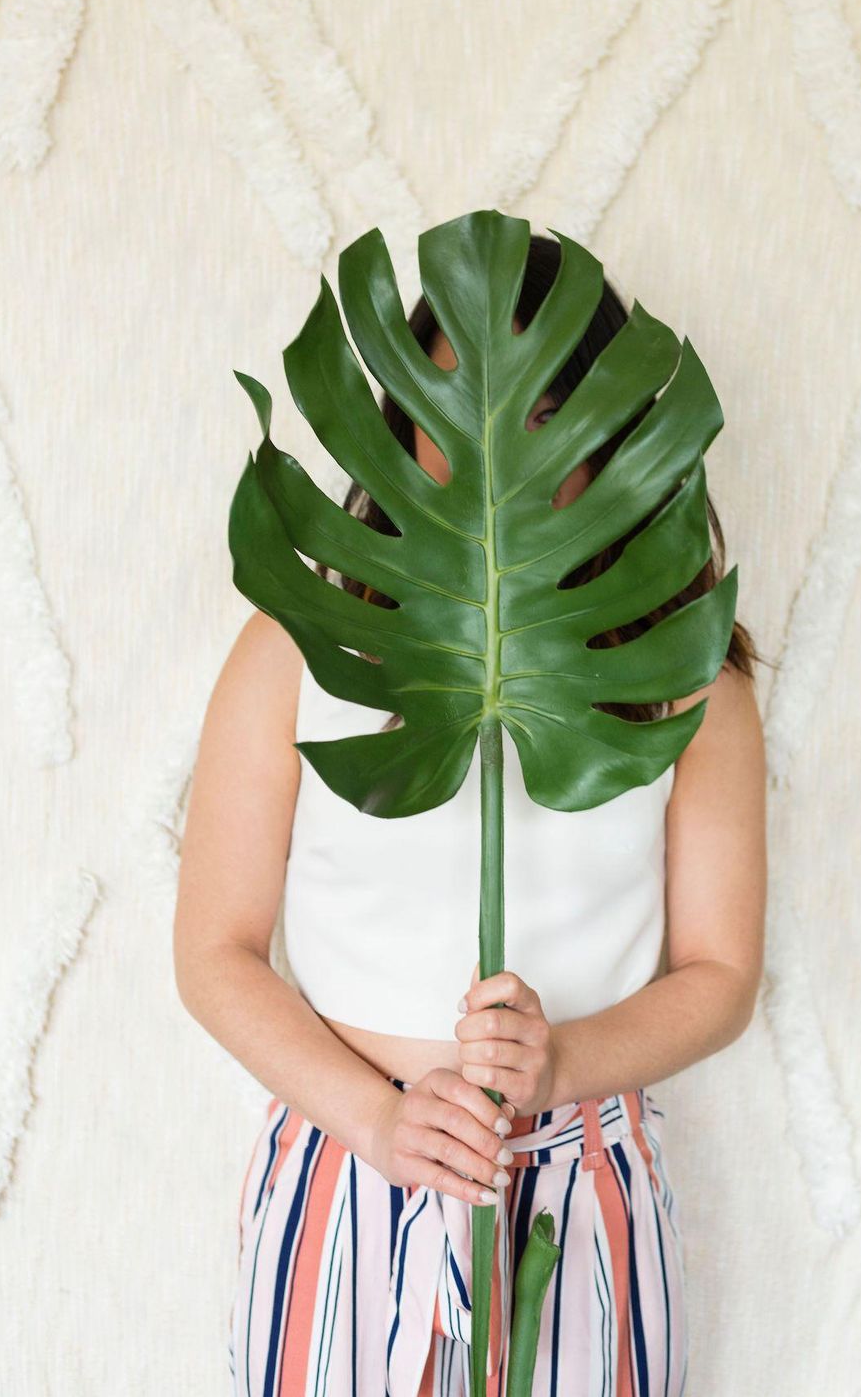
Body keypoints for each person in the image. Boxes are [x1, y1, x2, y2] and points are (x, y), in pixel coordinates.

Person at [174, 235, 768, 1396]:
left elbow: (719, 971)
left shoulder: (691, 680)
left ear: (610, 444)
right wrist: (374, 1120)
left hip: (577, 1180)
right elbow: (213, 952)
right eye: (449, 422)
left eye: (547, 420)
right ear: (395, 435)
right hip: (349, 1166)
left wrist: (561, 1065)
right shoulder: (297, 650)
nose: (494, 468)